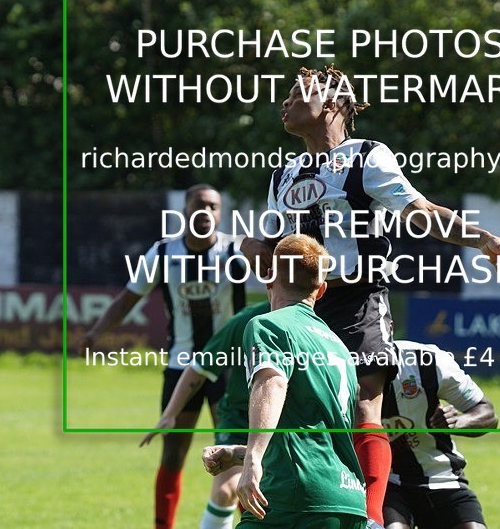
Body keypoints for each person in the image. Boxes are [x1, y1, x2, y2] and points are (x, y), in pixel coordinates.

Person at [241, 65, 500, 525]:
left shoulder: (367, 157)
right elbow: (272, 242)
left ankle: (370, 518)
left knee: (362, 402)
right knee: (296, 403)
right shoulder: (283, 174)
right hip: (299, 306)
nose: (285, 101)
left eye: (298, 93)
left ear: (331, 103)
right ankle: (299, 499)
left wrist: (480, 239)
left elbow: (422, 212)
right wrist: (254, 247)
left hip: (357, 298)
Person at [78, 184, 246, 529]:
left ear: (221, 212)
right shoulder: (163, 254)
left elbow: (279, 282)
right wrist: (96, 333)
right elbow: (127, 299)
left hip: (228, 370)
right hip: (180, 367)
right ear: (184, 210)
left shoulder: (236, 250)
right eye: (200, 205)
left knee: (237, 458)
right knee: (173, 454)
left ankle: (256, 525)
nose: (207, 213)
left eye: (214, 207)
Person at [203, 234, 368, 528]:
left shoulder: (269, 325)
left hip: (295, 500)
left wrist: (253, 459)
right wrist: (237, 454)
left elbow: (272, 383)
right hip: (348, 502)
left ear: (269, 276)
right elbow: (313, 436)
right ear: (321, 290)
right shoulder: (338, 347)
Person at [140, 300, 271, 529]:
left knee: (283, 498)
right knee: (225, 490)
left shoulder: (317, 322)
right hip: (240, 416)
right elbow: (198, 368)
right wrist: (170, 414)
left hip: (292, 420)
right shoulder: (245, 321)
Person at [382, 340, 497, 529]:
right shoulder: (340, 364)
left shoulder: (427, 360)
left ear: (389, 328)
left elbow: (487, 413)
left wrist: (457, 422)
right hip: (387, 482)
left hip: (442, 476)